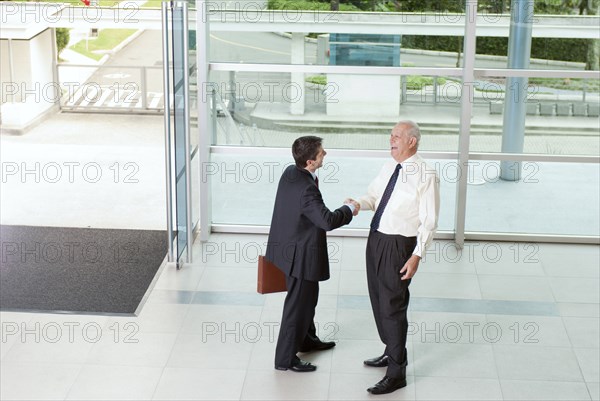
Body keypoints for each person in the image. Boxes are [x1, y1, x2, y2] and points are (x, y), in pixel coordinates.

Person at [350, 120, 440, 394]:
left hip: (399, 245)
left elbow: (430, 221)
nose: (391, 140)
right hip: (376, 237)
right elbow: (374, 197)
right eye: (391, 135)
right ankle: (391, 349)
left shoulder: (425, 175)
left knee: (392, 306)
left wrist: (417, 256)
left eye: (397, 136)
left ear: (412, 141)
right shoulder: (389, 166)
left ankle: (397, 372)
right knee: (377, 298)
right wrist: (357, 204)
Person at [266, 135, 359, 373]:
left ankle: (307, 339)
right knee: (297, 307)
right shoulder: (307, 189)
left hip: (287, 250)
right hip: (300, 257)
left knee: (308, 300)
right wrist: (348, 209)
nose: (325, 154)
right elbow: (326, 220)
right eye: (321, 152)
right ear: (309, 161)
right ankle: (284, 359)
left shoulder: (291, 172)